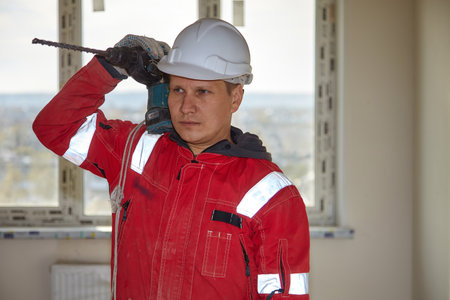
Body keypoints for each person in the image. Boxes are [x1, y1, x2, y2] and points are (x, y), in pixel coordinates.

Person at [33, 18, 310, 300]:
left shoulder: (271, 195)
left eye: (202, 91)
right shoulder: (135, 150)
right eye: (178, 90)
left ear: (236, 98)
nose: (186, 107)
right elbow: (55, 128)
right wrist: (109, 68)